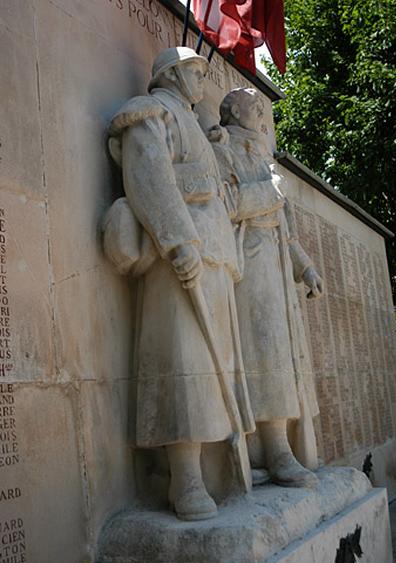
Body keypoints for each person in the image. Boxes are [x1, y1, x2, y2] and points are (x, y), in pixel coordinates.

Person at [106, 49, 254, 521]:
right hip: (179, 256)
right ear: (171, 74)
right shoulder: (152, 112)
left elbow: (218, 192)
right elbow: (147, 176)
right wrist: (176, 243)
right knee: (183, 369)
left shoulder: (198, 127)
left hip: (214, 258)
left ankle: (215, 470)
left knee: (213, 372)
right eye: (196, 72)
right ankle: (184, 480)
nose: (202, 83)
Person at [209, 87, 323, 487]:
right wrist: (271, 192)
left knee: (281, 354)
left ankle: (275, 449)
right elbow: (227, 204)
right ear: (232, 111)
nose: (261, 109)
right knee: (263, 350)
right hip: (249, 260)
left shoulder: (265, 156)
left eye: (262, 105)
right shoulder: (221, 149)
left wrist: (305, 267)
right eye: (251, 104)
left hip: (275, 261)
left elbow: (287, 228)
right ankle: (274, 451)